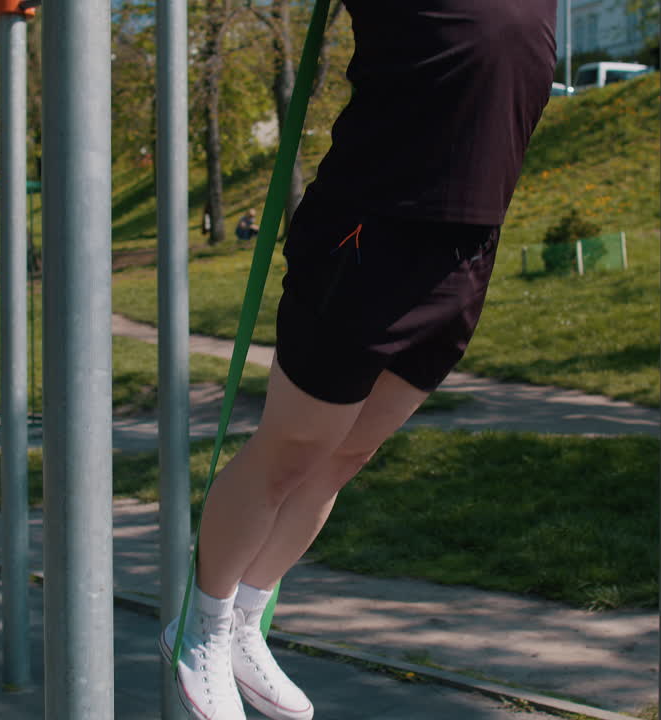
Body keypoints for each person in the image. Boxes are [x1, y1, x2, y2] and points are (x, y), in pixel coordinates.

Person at [159, 2, 557, 719]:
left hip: (467, 245)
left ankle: (247, 623)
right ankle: (202, 631)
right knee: (293, 449)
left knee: (348, 454)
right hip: (373, 228)